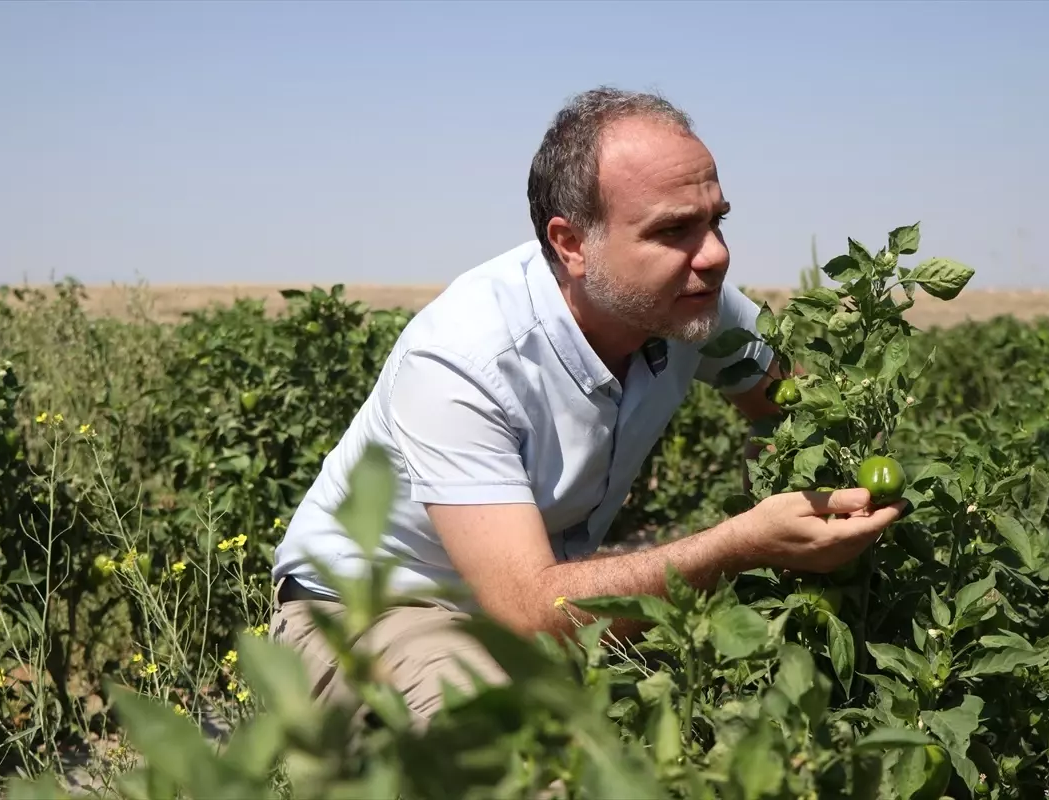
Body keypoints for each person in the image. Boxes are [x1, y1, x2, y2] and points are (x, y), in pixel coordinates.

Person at [268, 86, 905, 730]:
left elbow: (788, 411)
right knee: (511, 757)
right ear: (571, 244)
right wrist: (745, 543)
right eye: (673, 230)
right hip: (380, 612)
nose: (714, 255)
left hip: (536, 596)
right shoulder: (465, 358)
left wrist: (790, 495)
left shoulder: (696, 303)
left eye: (717, 220)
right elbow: (529, 610)